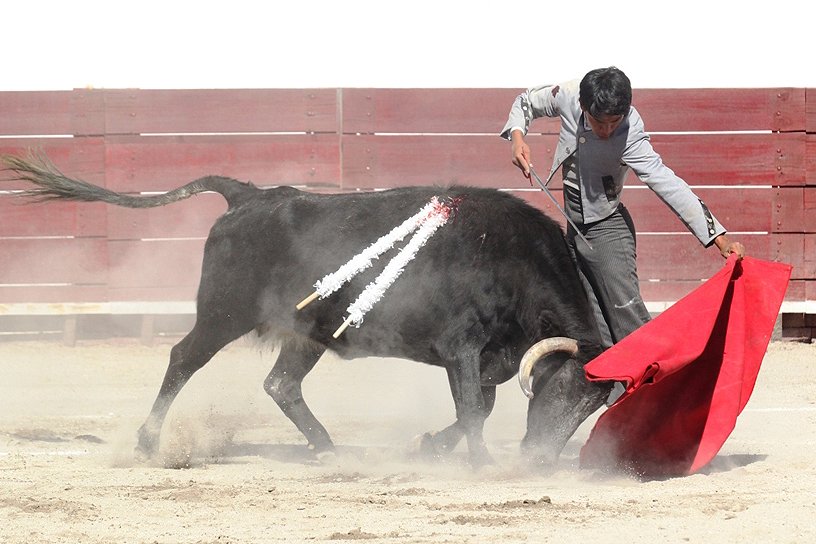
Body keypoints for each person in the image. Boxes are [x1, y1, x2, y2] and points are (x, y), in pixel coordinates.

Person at [500, 67, 745, 401]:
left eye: (615, 122)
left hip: (607, 232)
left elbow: (668, 184)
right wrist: (517, 137)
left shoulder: (631, 132)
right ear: (583, 107)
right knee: (598, 330)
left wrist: (718, 237)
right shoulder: (568, 95)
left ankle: (666, 399)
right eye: (599, 122)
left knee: (629, 324)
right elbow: (526, 102)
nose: (607, 130)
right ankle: (621, 409)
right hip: (574, 231)